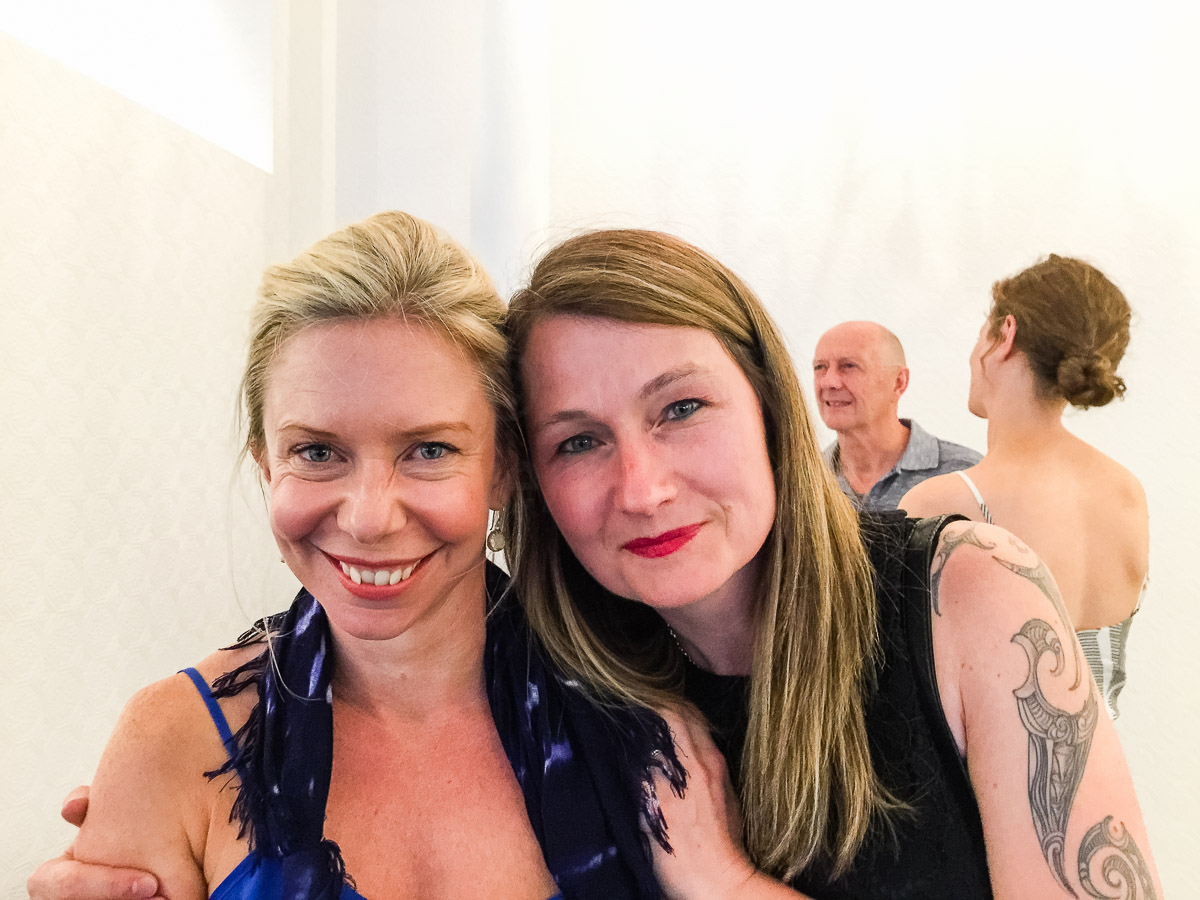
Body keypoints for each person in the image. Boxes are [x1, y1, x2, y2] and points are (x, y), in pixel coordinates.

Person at [26, 212, 682, 900]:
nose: (369, 519)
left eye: (429, 450)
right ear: (266, 467)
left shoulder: (645, 719)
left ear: (503, 468)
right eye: (317, 452)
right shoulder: (172, 744)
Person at [501, 230, 1161, 897]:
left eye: (682, 408)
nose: (642, 491)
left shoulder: (964, 592)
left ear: (768, 404)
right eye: (578, 441)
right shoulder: (549, 699)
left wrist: (726, 884)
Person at [900, 254, 1148, 720]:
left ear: (1006, 334)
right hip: (1109, 767)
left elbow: (902, 696)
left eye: (982, 332)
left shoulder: (946, 503)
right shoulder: (1126, 492)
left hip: (991, 770)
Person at [812, 320, 981, 509]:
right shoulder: (802, 478)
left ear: (899, 382)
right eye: (820, 367)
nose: (828, 382)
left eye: (849, 366)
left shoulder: (965, 474)